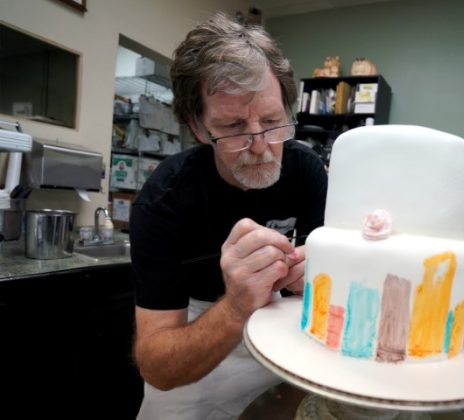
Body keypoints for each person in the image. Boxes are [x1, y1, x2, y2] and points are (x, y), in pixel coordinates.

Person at [129, 12, 328, 419]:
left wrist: (320, 281)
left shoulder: (306, 171)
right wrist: (237, 305)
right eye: (233, 127)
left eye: (272, 122)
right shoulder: (164, 200)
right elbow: (158, 366)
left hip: (279, 343)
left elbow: (325, 300)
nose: (261, 146)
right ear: (199, 128)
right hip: (197, 341)